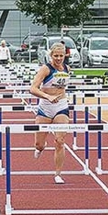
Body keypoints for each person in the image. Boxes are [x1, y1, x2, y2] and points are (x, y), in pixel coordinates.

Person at [29, 42, 71, 185]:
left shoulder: (67, 68)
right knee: (39, 144)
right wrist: (48, 97)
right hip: (45, 108)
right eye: (56, 56)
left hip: (61, 107)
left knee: (60, 141)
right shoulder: (45, 69)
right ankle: (40, 148)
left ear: (65, 55)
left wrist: (61, 96)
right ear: (51, 55)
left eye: (61, 55)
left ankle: (58, 173)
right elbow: (33, 89)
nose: (59, 58)